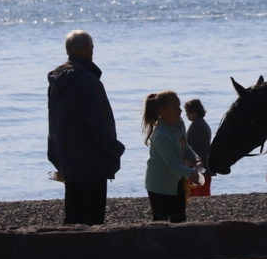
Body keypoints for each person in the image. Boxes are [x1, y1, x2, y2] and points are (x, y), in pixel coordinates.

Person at [47, 30, 126, 225]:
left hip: (68, 160)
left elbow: (53, 122)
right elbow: (99, 121)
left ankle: (70, 253)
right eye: (91, 46)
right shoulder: (87, 80)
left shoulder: (56, 82)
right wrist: (114, 148)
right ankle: (91, 254)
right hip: (92, 162)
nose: (93, 50)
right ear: (84, 48)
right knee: (93, 218)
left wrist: (54, 155)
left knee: (73, 215)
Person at [142, 90, 201, 223]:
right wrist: (191, 173)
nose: (180, 111)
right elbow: (172, 165)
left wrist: (195, 159)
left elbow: (185, 148)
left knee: (179, 220)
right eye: (175, 108)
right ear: (161, 111)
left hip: (177, 182)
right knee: (161, 224)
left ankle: (179, 244)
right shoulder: (161, 135)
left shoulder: (179, 124)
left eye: (179, 106)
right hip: (159, 186)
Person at [184, 98, 212, 197]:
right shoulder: (202, 124)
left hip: (199, 168)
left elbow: (193, 149)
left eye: (187, 112)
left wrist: (188, 166)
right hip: (205, 166)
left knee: (199, 195)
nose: (186, 115)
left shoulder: (196, 126)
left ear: (194, 112)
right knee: (203, 195)